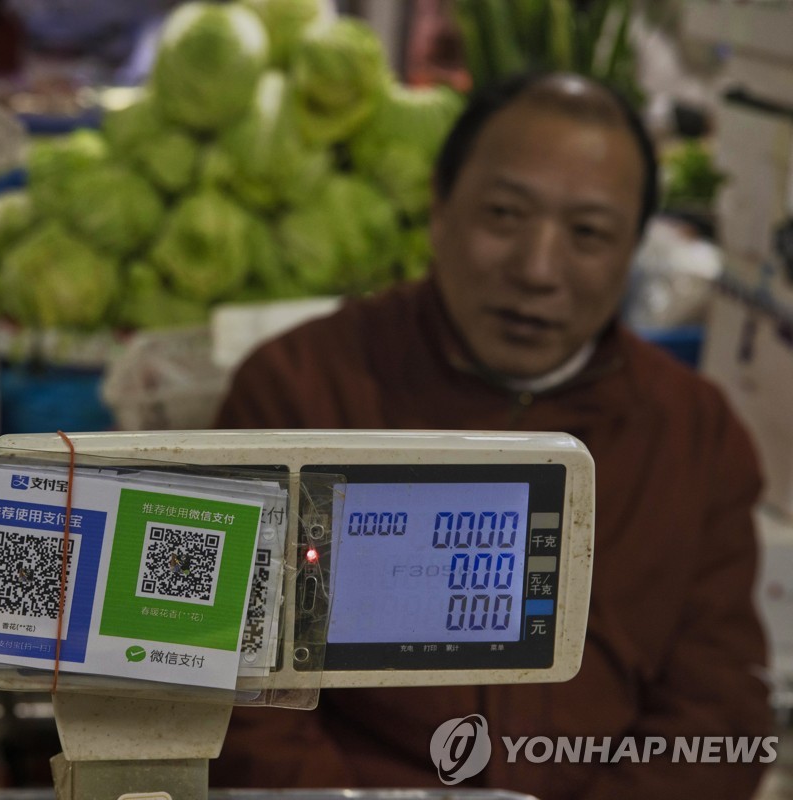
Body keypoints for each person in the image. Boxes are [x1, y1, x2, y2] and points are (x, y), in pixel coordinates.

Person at [209, 72, 772, 800]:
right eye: (504, 215)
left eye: (589, 234)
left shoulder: (696, 433)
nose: (537, 270)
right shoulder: (297, 388)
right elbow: (228, 686)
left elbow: (716, 714)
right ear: (437, 212)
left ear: (634, 249)